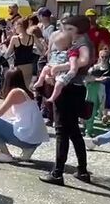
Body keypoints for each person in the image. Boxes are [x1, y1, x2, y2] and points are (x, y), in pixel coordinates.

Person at [39, 16, 94, 186]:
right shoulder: (78, 41)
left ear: (78, 29)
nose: (65, 31)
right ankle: (82, 171)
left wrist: (60, 68)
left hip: (69, 90)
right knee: (73, 132)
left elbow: (83, 61)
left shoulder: (82, 42)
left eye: (69, 28)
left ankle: (57, 173)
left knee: (62, 131)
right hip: (74, 89)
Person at [0, 68, 49, 163]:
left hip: (27, 138)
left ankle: (5, 153)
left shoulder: (15, 92)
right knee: (1, 120)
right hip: (34, 139)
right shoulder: (26, 92)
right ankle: (28, 149)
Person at [33, 31, 78, 103]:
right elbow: (50, 60)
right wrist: (48, 74)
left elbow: (71, 65)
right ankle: (40, 81)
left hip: (63, 72)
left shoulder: (70, 52)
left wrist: (57, 68)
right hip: (53, 68)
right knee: (45, 68)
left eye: (58, 45)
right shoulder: (57, 52)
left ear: (65, 45)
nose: (57, 47)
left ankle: (53, 97)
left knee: (59, 84)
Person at [84, 49, 110, 136]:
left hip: (105, 89)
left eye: (106, 57)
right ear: (99, 57)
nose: (104, 59)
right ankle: (88, 130)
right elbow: (86, 78)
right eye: (102, 57)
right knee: (92, 109)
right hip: (94, 89)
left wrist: (107, 79)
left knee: (103, 107)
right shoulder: (94, 68)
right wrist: (96, 79)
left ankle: (103, 117)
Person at [5, 17, 35, 87]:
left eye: (15, 25)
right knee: (27, 88)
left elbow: (7, 53)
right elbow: (42, 49)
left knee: (17, 88)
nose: (15, 28)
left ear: (19, 26)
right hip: (29, 66)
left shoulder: (15, 38)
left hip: (18, 67)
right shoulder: (32, 37)